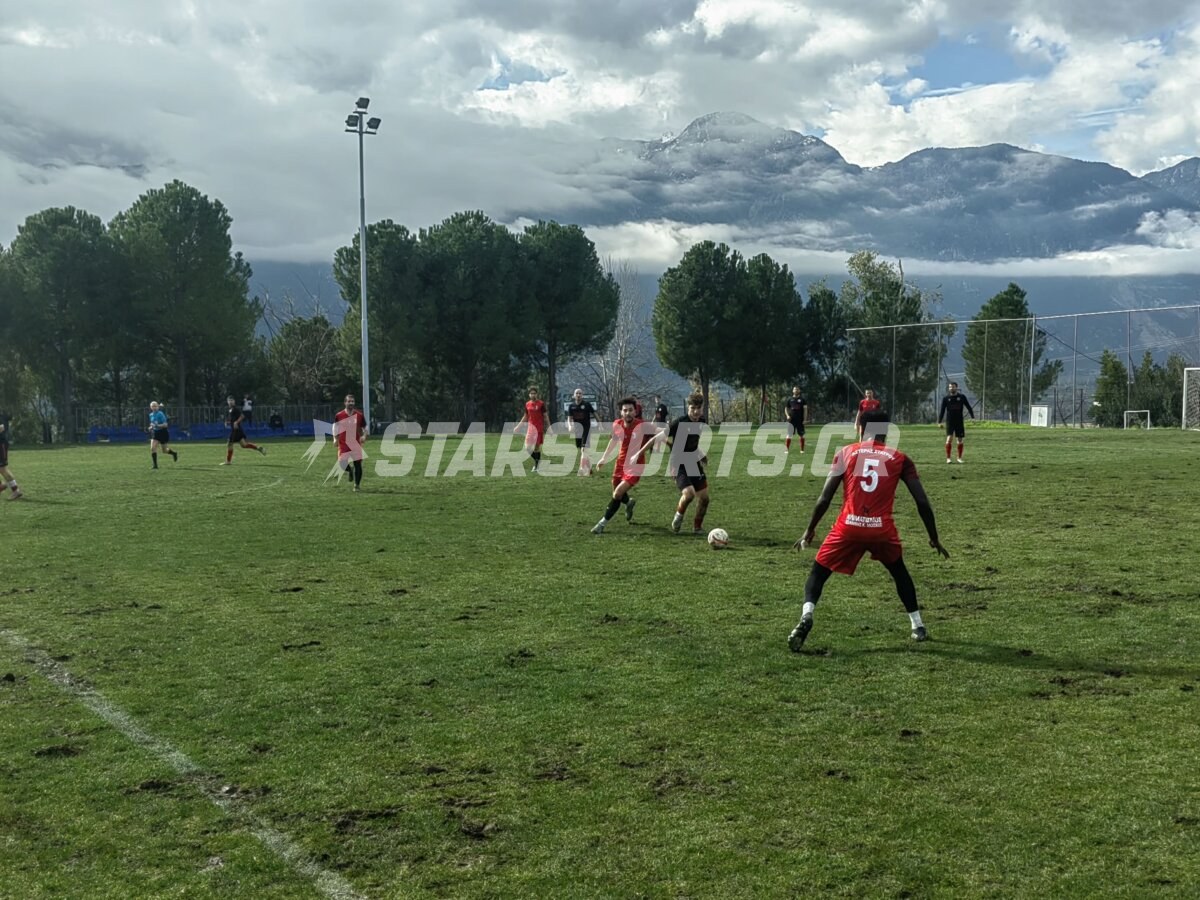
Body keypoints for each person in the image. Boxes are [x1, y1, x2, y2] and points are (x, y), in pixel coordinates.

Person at [788, 409, 949, 651]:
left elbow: (824, 498)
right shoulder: (899, 458)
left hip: (848, 527)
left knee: (818, 573)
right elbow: (922, 502)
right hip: (881, 530)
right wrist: (934, 538)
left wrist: (809, 530)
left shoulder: (846, 452)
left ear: (861, 429)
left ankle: (807, 615)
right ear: (886, 431)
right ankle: (918, 625)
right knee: (899, 573)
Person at [644, 392, 710, 534]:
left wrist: (700, 454)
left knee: (704, 498)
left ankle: (697, 528)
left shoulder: (702, 421)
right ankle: (678, 516)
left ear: (702, 408)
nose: (696, 411)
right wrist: (638, 453)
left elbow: (690, 443)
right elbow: (655, 438)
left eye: (698, 408)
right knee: (689, 494)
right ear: (688, 408)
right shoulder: (679, 423)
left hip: (693, 461)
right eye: (693, 408)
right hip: (678, 464)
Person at [590, 397, 652, 534]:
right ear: (621, 413)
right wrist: (603, 458)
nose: (628, 413)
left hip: (636, 465)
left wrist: (642, 452)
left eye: (631, 410)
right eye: (625, 410)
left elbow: (660, 435)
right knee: (617, 493)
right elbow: (613, 440)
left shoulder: (642, 425)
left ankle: (601, 524)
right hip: (620, 463)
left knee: (617, 493)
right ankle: (629, 502)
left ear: (635, 412)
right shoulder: (617, 424)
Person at [333, 394, 368, 492]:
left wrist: (364, 436)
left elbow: (365, 427)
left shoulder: (359, 415)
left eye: (352, 401)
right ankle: (350, 470)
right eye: (349, 401)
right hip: (343, 443)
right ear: (345, 403)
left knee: (358, 464)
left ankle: (357, 485)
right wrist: (335, 439)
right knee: (342, 463)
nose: (351, 403)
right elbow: (335, 427)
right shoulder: (339, 415)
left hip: (355, 443)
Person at [221, 395, 266, 465]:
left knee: (229, 444)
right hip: (238, 430)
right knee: (244, 445)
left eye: (232, 400)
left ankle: (228, 461)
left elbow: (242, 416)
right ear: (227, 402)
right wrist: (228, 422)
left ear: (234, 402)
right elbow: (234, 420)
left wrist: (236, 422)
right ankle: (258, 448)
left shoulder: (235, 409)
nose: (231, 402)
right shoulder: (230, 410)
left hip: (236, 430)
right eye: (229, 401)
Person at [938, 381, 975, 464]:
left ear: (956, 387)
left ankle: (959, 458)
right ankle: (948, 458)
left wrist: (972, 417)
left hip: (959, 421)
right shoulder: (946, 398)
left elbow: (969, 407)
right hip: (950, 421)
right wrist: (939, 422)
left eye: (953, 387)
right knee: (949, 438)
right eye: (950, 387)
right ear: (949, 388)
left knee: (960, 440)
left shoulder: (962, 397)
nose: (952, 388)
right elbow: (942, 411)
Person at [513, 386, 549, 472]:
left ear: (537, 394)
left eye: (534, 393)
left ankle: (536, 466)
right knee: (527, 447)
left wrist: (549, 427)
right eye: (531, 393)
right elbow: (526, 416)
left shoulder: (541, 404)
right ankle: (538, 461)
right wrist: (518, 426)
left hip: (539, 428)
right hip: (530, 428)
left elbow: (545, 416)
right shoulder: (527, 404)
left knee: (536, 448)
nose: (533, 395)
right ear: (529, 395)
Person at [566, 388, 597, 476]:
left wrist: (600, 424)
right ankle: (590, 467)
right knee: (582, 449)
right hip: (577, 430)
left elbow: (594, 413)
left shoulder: (586, 404)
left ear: (582, 395)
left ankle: (582, 469)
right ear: (574, 395)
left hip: (586, 429)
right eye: (577, 393)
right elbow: (569, 418)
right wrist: (569, 425)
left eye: (580, 393)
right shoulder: (571, 406)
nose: (578, 395)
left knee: (584, 449)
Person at [147, 401, 178, 469]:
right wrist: (151, 427)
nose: (154, 407)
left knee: (164, 450)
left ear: (158, 407)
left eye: (155, 406)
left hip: (163, 433)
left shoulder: (160, 414)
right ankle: (155, 465)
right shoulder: (151, 415)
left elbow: (165, 425)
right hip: (156, 433)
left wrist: (157, 425)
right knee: (152, 448)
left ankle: (174, 453)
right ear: (151, 407)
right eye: (153, 406)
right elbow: (152, 424)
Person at [0, 417, 22, 500]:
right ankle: (1, 486)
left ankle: (16, 491)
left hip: (1, 444)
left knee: (2, 469)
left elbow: (1, 427)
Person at [784, 386, 809, 452]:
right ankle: (786, 450)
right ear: (793, 391)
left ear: (799, 391)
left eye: (797, 389)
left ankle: (802, 450)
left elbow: (805, 410)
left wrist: (805, 419)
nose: (796, 390)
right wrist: (787, 416)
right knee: (789, 435)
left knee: (802, 435)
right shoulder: (789, 399)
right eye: (795, 389)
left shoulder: (803, 400)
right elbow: (786, 408)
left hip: (800, 420)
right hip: (791, 420)